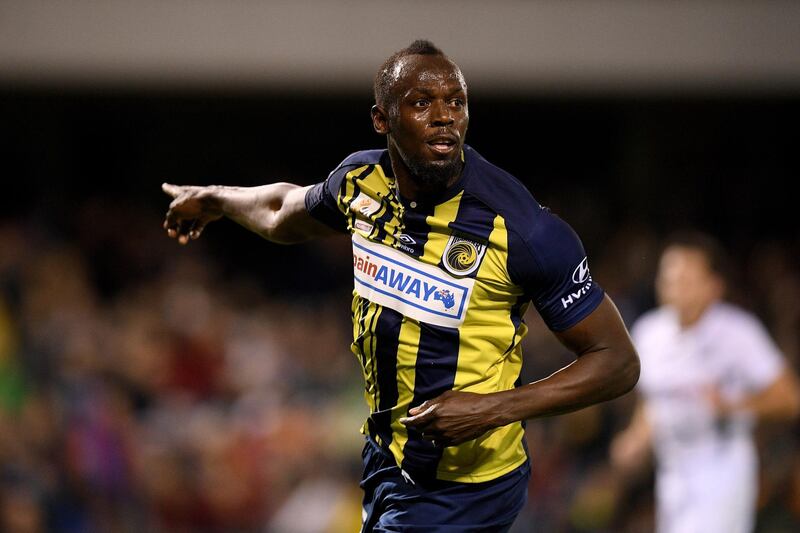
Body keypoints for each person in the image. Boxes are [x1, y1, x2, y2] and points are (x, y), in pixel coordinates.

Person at [162, 40, 640, 532]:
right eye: (421, 102)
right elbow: (283, 211)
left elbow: (618, 361)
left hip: (466, 486)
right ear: (382, 119)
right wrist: (215, 199)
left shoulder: (523, 230)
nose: (443, 116)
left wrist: (492, 409)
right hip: (388, 464)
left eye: (456, 102)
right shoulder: (360, 182)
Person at [611, 232, 800, 533]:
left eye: (686, 277)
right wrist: (636, 439)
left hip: (721, 471)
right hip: (672, 473)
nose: (674, 284)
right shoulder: (649, 333)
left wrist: (733, 406)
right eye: (669, 275)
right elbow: (654, 403)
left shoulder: (738, 332)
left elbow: (789, 398)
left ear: (714, 286)